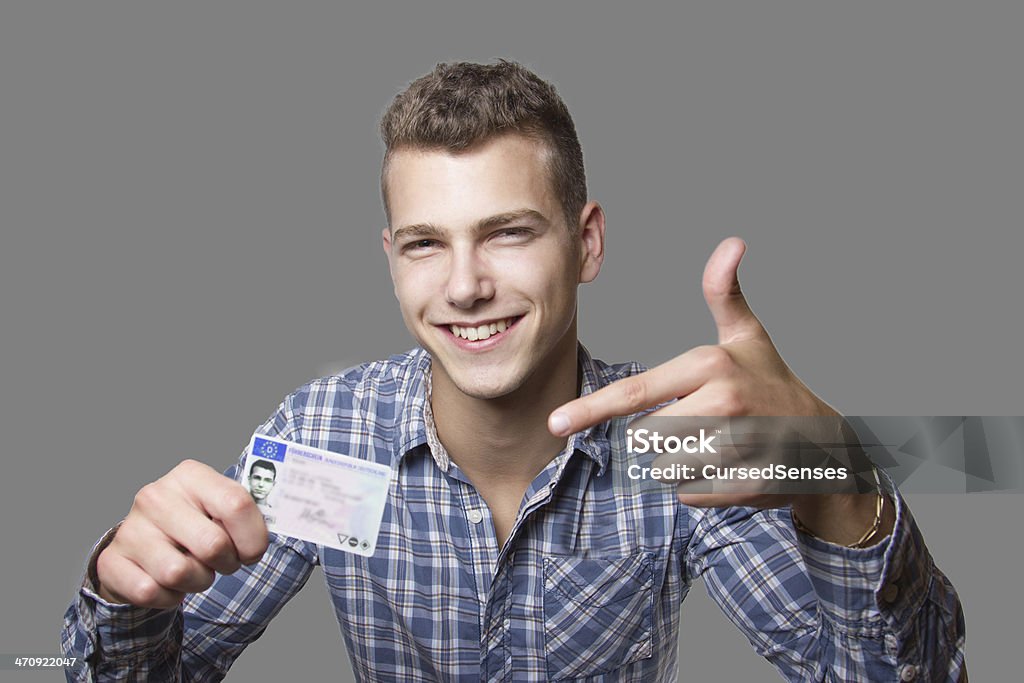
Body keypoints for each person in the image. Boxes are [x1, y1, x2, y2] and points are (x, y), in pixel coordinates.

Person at [62, 60, 966, 682]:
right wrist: (125, 589)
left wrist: (836, 475)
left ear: (586, 241)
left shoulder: (676, 448)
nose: (464, 286)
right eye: (426, 244)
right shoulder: (326, 437)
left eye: (507, 231)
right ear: (392, 258)